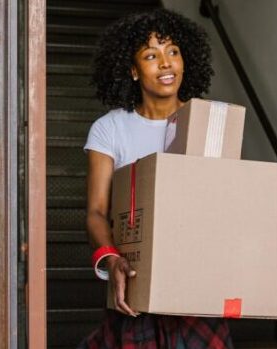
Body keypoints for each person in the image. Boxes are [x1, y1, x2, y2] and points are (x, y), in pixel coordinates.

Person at [79, 8, 234, 349]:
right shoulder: (111, 128)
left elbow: (225, 204)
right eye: (152, 55)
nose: (166, 64)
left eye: (173, 52)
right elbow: (96, 211)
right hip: (137, 287)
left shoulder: (210, 122)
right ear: (133, 70)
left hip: (197, 286)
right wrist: (111, 258)